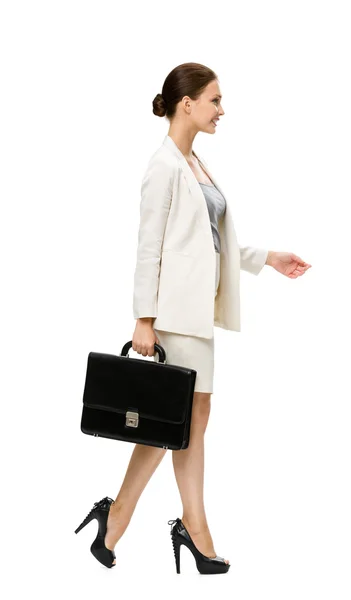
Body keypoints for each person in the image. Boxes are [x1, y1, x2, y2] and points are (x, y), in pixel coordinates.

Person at [74, 62, 312, 574]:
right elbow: (149, 248)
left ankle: (120, 519)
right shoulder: (163, 165)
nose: (222, 110)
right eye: (215, 100)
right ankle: (189, 528)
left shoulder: (194, 162)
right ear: (187, 103)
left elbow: (206, 243)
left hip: (196, 313)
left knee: (186, 422)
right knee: (180, 422)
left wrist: (265, 257)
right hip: (174, 317)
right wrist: (144, 318)